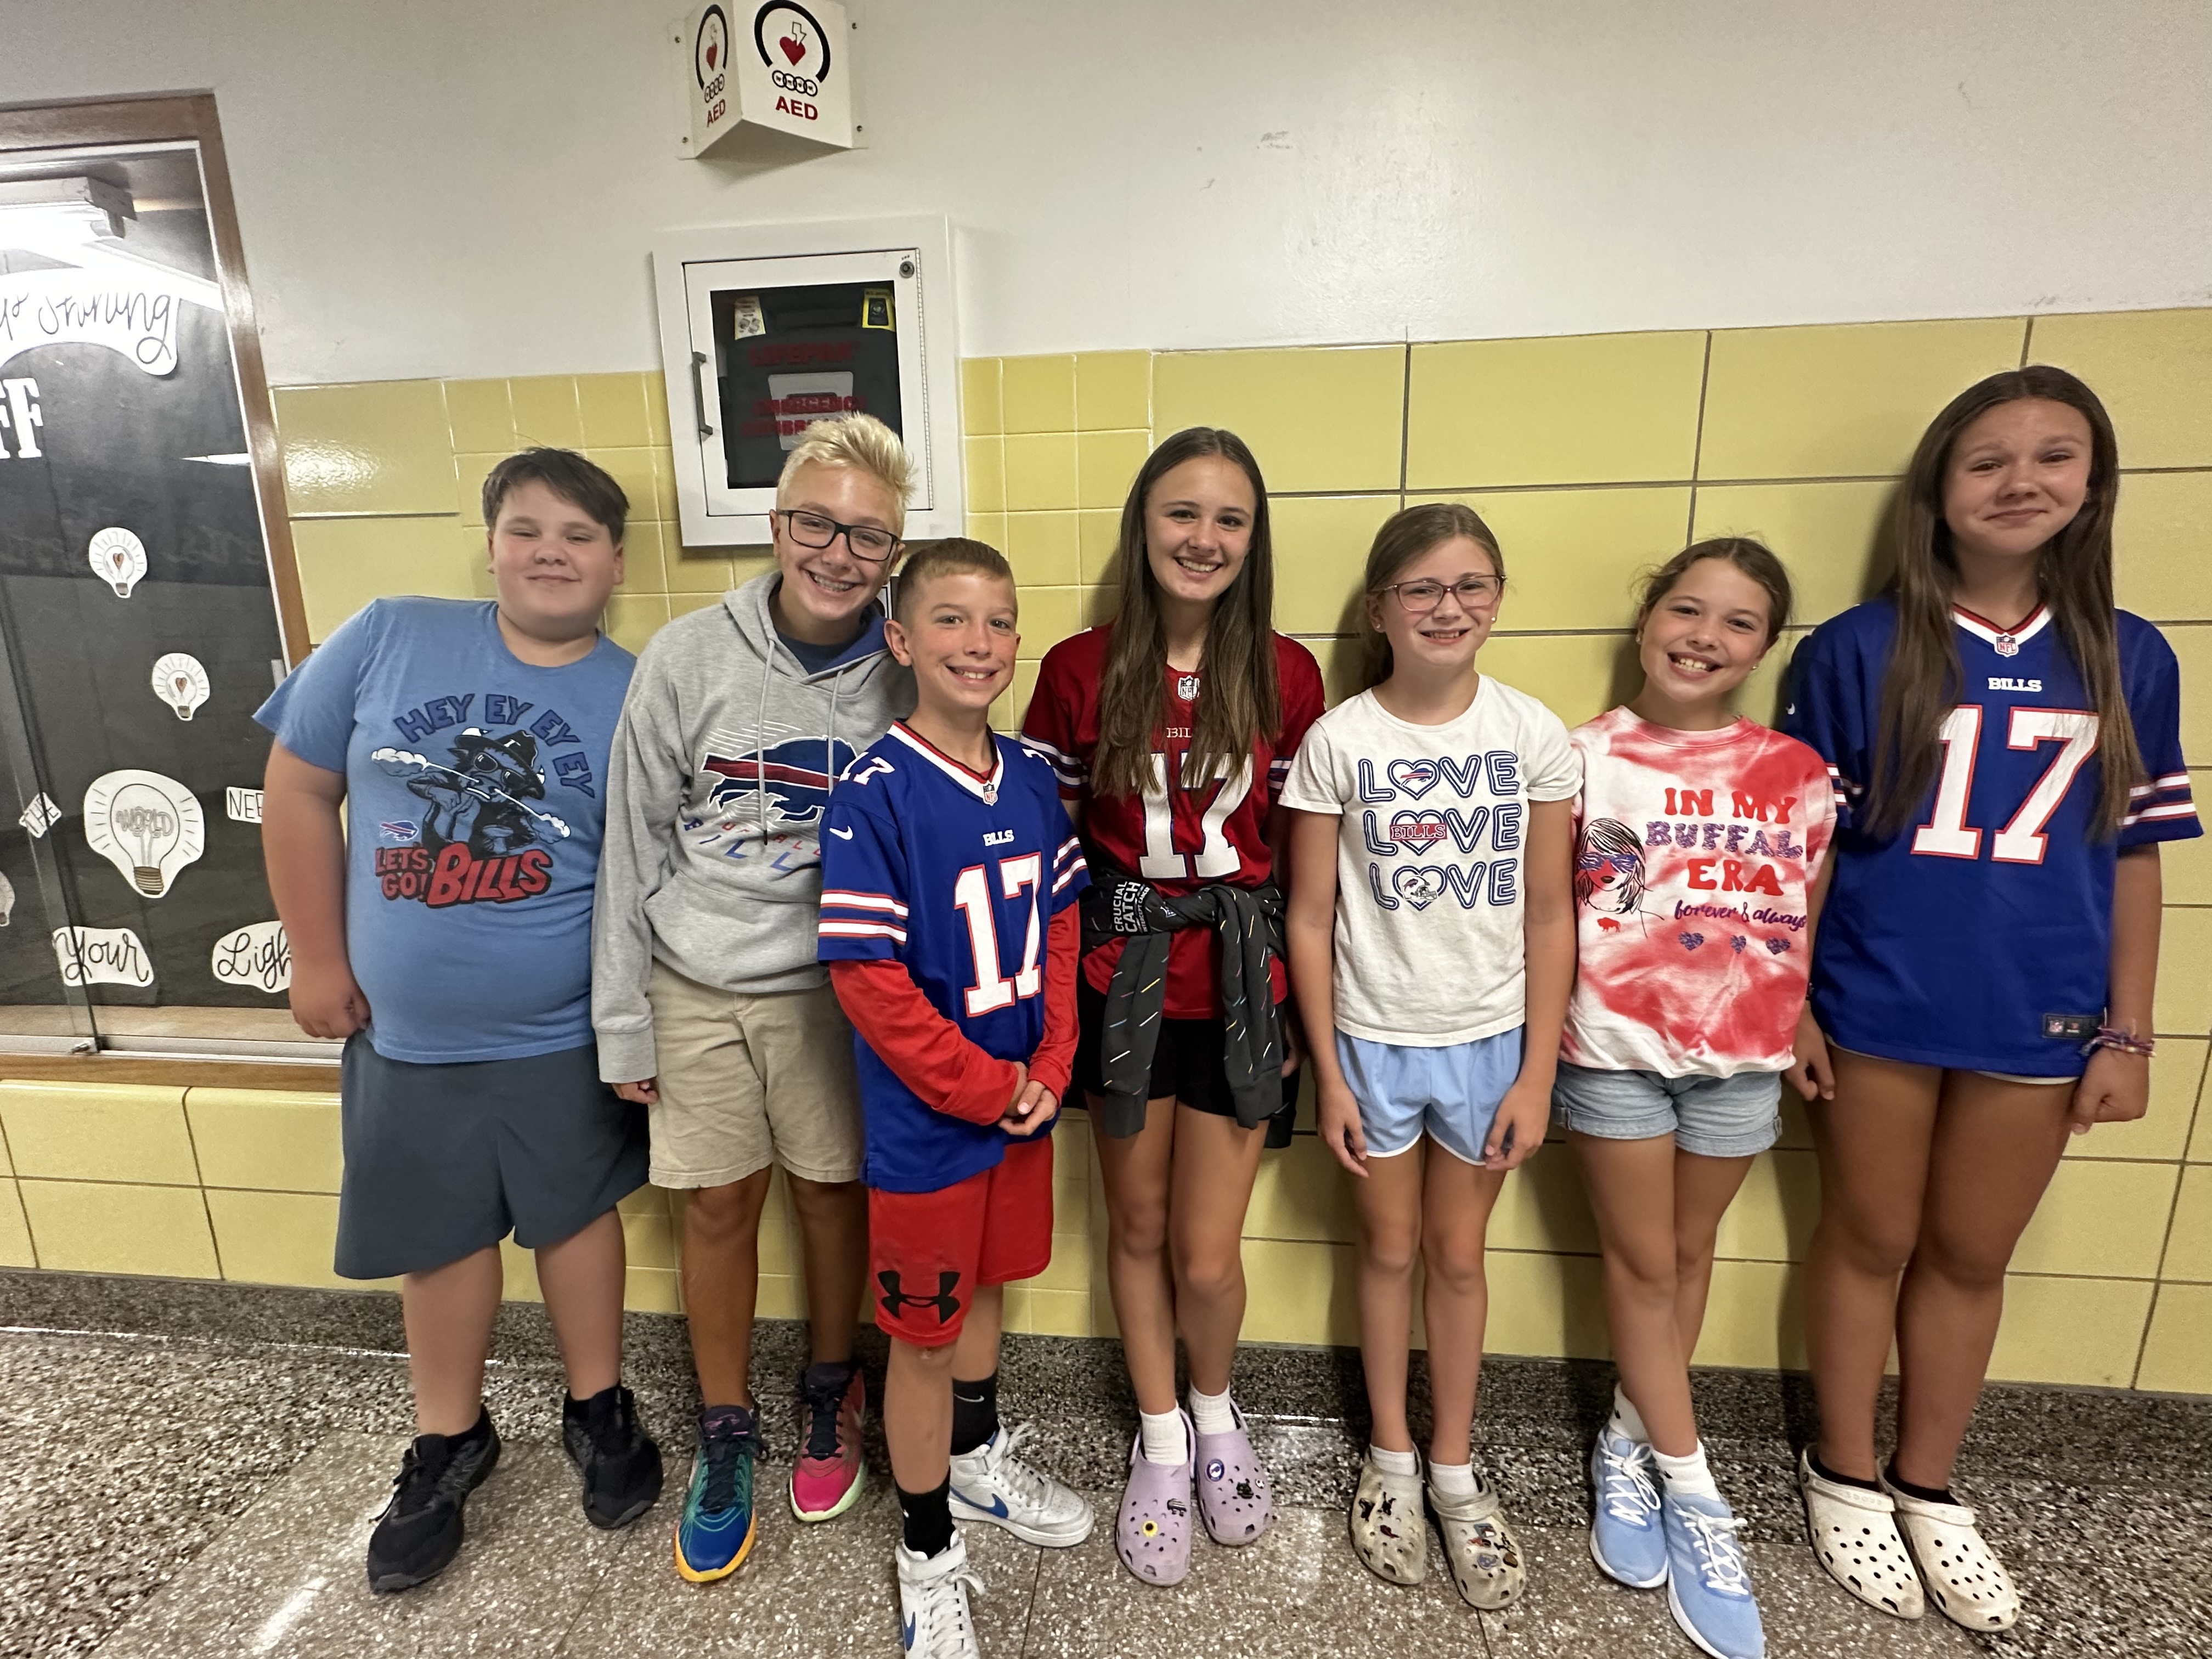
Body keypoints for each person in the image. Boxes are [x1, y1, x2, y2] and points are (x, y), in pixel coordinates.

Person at [1785, 366, 2199, 1632]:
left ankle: (1930, 1482)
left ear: (2095, 483)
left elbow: (2137, 858)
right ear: (1939, 489)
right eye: (1988, 461)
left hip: (2043, 1014)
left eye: (2054, 457)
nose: (2022, 482)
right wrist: (1795, 1002)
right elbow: (1806, 854)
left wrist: (2130, 1028)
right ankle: (1843, 1472)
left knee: (1972, 1254)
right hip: (1880, 1001)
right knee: (1869, 1237)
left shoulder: (2129, 655)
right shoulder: (1856, 650)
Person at [258, 448, 659, 1592]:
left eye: (578, 535)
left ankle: (599, 1407)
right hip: (407, 1032)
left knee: (577, 1220)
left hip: (564, 1032)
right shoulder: (391, 633)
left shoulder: (634, 687)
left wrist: (638, 1027)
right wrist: (314, 956)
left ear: (614, 561)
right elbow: (297, 787)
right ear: (491, 543)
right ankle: (449, 1438)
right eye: (527, 528)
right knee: (440, 1241)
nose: (550, 551)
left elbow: (649, 871)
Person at [592, 414, 916, 1582]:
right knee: (716, 1209)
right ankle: (725, 1431)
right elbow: (630, 843)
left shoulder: (908, 663)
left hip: (839, 993)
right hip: (699, 984)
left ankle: (833, 1391)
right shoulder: (687, 657)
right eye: (817, 524)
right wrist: (620, 1015)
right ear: (779, 526)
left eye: (867, 536)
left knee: (836, 1202)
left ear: (894, 552)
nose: (838, 552)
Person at [1019, 427, 1324, 1585]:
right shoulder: (1077, 667)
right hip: (1120, 986)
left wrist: (1302, 1007)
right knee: (1136, 1231)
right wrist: (1051, 1013)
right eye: (1182, 514)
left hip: (1244, 989)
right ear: (1145, 529)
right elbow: (1052, 852)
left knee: (1207, 1254)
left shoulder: (1288, 675)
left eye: (1230, 519)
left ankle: (1214, 1412)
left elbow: (1299, 855)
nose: (1204, 538)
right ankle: (1155, 1441)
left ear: (1254, 541)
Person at [1280, 501, 1573, 1612]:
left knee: (1461, 1256)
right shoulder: (1340, 740)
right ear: (1381, 611)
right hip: (1371, 1041)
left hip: (1492, 1046)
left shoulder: (1530, 734)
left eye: (1472, 587)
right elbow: (1308, 917)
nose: (1449, 607)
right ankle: (1391, 1460)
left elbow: (1552, 912)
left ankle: (1455, 1465)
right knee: (1390, 1250)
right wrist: (1330, 1070)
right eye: (1423, 590)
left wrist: (1539, 1072)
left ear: (1496, 600)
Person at [1551, 538, 1837, 1659]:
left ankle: (1629, 1437)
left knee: (1689, 1249)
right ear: (1646, 619)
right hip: (1613, 1045)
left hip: (1749, 1052)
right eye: (1687, 609)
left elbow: (1796, 911)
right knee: (1641, 1261)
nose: (1705, 637)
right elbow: (1545, 910)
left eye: (1738, 623)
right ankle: (1693, 1483)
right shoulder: (1582, 759)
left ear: (1765, 648)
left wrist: (1802, 1016)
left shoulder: (1799, 772)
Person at [817, 538, 1095, 1659]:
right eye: (950, 621)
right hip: (935, 1125)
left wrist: (1055, 1067)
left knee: (987, 1291)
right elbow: (868, 981)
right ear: (900, 640)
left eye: (998, 622)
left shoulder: (1034, 773)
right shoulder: (873, 792)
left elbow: (1064, 928)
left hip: (1022, 1103)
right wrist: (985, 1087)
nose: (978, 645)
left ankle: (974, 1468)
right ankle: (926, 1547)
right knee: (924, 1337)